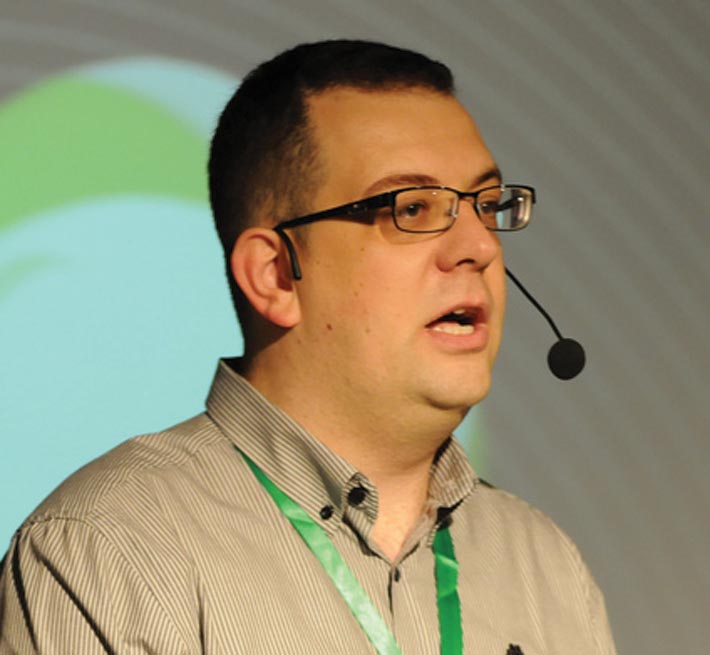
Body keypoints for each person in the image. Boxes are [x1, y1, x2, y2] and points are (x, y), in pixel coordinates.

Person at [0, 40, 616, 654]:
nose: (478, 247)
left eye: (486, 205)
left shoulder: (544, 566)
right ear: (275, 275)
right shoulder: (108, 549)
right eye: (412, 208)